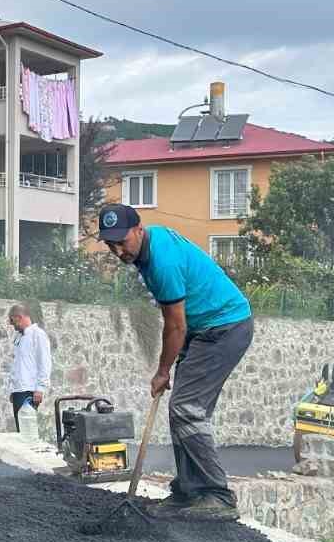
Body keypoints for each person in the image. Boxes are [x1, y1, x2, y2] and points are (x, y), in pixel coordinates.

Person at [98, 204, 253, 521]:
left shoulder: (161, 263)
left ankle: (218, 496)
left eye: (122, 241)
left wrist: (163, 371)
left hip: (223, 327)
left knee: (187, 410)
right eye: (110, 244)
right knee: (182, 410)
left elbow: (175, 325)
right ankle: (187, 492)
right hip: (204, 328)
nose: (117, 250)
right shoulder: (149, 245)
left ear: (138, 229)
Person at [7, 303, 52, 430]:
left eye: (12, 321)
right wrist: (12, 389)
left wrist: (40, 388)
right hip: (18, 389)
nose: (12, 325)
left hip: (29, 390)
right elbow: (17, 365)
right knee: (20, 430)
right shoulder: (19, 337)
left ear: (19, 317)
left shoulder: (38, 335)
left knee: (27, 430)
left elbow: (44, 362)